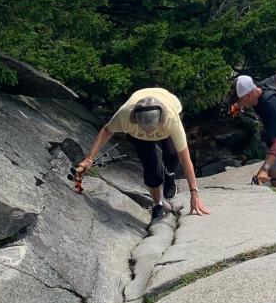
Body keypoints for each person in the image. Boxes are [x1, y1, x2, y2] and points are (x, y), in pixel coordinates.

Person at [76, 87, 210, 223]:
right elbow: (106, 131)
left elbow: (185, 158)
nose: (148, 134)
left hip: (168, 106)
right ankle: (157, 204)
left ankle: (169, 173)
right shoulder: (125, 116)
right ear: (135, 120)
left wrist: (194, 194)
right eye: (144, 129)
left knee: (172, 155)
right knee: (152, 170)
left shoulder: (171, 120)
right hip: (136, 133)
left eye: (151, 130)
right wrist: (89, 158)